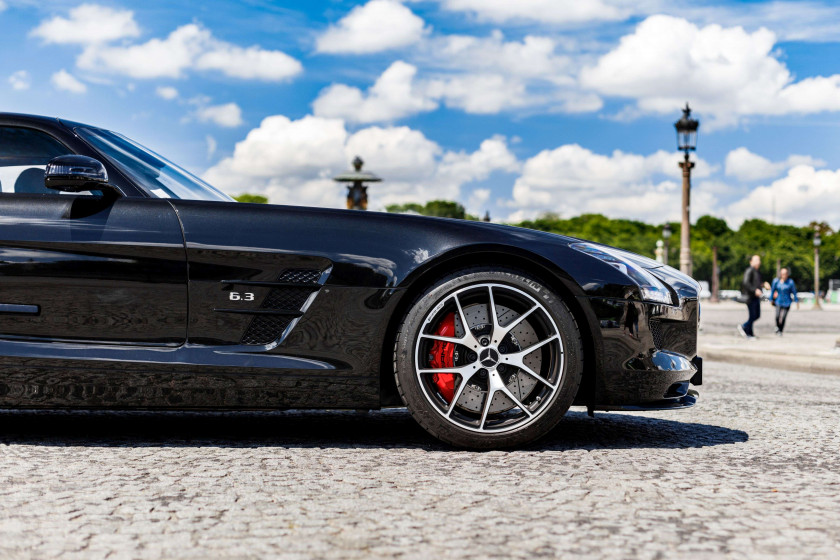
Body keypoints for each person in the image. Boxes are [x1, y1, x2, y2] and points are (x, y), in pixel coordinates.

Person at [738, 254, 763, 339]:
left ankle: (750, 333)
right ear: (751, 262)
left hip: (756, 297)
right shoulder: (749, 270)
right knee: (752, 315)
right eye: (757, 260)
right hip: (750, 297)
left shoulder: (757, 272)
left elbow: (757, 283)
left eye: (759, 260)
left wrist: (763, 285)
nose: (759, 262)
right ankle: (744, 327)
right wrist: (754, 290)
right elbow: (746, 283)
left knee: (756, 315)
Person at [770, 267, 799, 336]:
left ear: (787, 274)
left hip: (787, 302)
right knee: (777, 316)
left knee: (783, 317)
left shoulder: (790, 282)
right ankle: (777, 327)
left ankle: (780, 330)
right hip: (778, 301)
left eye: (785, 274)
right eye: (782, 273)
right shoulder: (776, 281)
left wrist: (796, 301)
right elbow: (772, 291)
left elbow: (794, 292)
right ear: (780, 274)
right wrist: (771, 299)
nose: (783, 275)